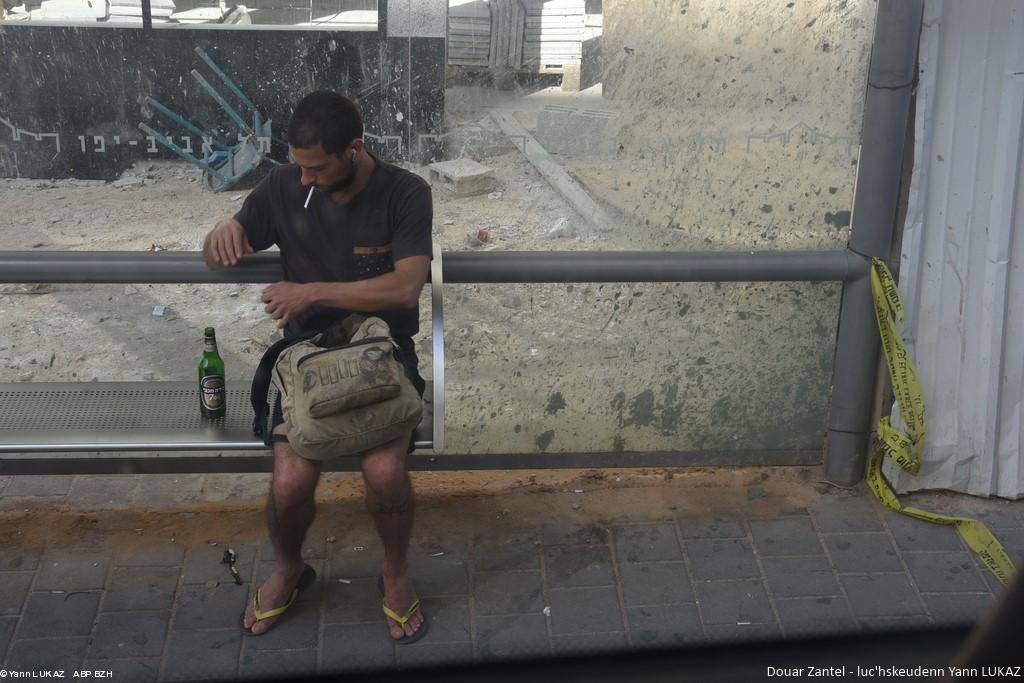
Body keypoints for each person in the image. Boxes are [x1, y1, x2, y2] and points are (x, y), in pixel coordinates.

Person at [202, 91, 432, 644]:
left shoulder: (405, 192)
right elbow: (218, 255)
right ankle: (289, 569)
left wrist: (312, 292)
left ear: (354, 149)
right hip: (304, 360)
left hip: (384, 350)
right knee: (289, 480)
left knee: (383, 472)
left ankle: (396, 574)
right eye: (299, 164)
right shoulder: (283, 185)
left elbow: (406, 284)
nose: (304, 179)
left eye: (316, 167)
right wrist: (221, 232)